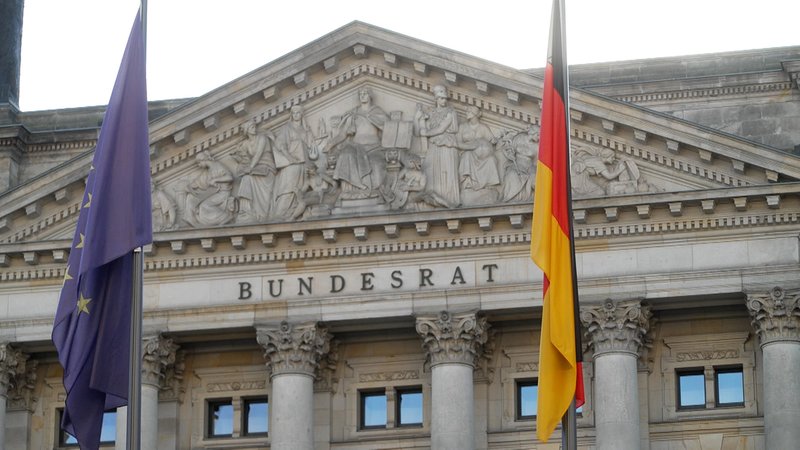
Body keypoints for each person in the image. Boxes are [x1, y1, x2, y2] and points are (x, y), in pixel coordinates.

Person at [328, 87, 390, 198]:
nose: (362, 95)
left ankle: (371, 190)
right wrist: (329, 145)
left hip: (374, 148)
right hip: (355, 147)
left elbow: (389, 128)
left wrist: (373, 119)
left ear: (370, 96)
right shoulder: (353, 114)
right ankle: (349, 191)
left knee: (377, 165)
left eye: (365, 93)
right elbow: (342, 134)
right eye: (360, 94)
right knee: (345, 154)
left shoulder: (377, 111)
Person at [415, 84, 460, 208]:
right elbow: (418, 132)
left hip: (447, 146)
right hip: (434, 146)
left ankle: (450, 200)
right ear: (436, 99)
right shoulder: (431, 113)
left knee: (446, 171)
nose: (444, 101)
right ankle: (434, 199)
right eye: (441, 98)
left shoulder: (451, 112)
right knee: (431, 171)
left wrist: (426, 133)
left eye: (445, 98)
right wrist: (417, 118)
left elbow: (441, 128)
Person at [272, 105, 316, 220]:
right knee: (288, 189)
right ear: (291, 115)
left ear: (302, 114)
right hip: (291, 165)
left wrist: (308, 132)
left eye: (298, 112)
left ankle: (295, 212)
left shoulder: (305, 129)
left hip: (303, 164)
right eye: (294, 113)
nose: (296, 115)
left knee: (301, 189)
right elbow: (280, 144)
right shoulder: (287, 128)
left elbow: (311, 146)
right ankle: (281, 213)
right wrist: (289, 157)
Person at [232, 121, 276, 223]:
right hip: (255, 170)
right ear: (246, 130)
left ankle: (263, 214)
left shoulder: (262, 138)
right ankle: (246, 212)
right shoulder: (246, 143)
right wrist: (238, 157)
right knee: (246, 179)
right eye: (251, 127)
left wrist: (250, 168)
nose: (254, 128)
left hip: (267, 167)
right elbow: (244, 157)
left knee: (249, 177)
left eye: (254, 126)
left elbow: (258, 155)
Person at [456, 106, 500, 205]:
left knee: (491, 159)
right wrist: (470, 146)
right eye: (467, 111)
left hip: (482, 155)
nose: (467, 112)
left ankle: (488, 184)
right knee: (467, 156)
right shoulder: (463, 127)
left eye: (469, 111)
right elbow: (457, 143)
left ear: (475, 114)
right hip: (467, 151)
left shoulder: (483, 127)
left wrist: (494, 141)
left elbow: (492, 140)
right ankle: (468, 183)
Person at [181, 151, 235, 227]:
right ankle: (191, 219)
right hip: (213, 192)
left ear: (204, 160)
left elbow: (230, 177)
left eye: (199, 163)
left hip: (222, 193)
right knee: (191, 197)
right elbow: (200, 180)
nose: (199, 165)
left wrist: (215, 180)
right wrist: (191, 186)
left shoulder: (218, 166)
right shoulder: (208, 170)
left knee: (205, 206)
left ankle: (224, 217)